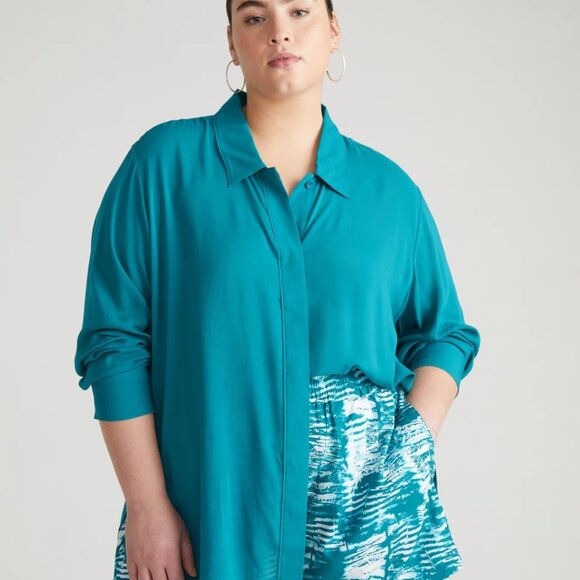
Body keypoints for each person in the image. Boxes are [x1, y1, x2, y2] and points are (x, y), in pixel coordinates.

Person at [73, 1, 481, 579]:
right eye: (254, 16)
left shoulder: (391, 193)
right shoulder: (163, 166)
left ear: (334, 30)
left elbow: (443, 335)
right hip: (212, 508)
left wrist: (410, 446)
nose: (279, 32)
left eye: (299, 11)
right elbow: (113, 343)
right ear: (231, 40)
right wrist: (146, 504)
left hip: (368, 517)